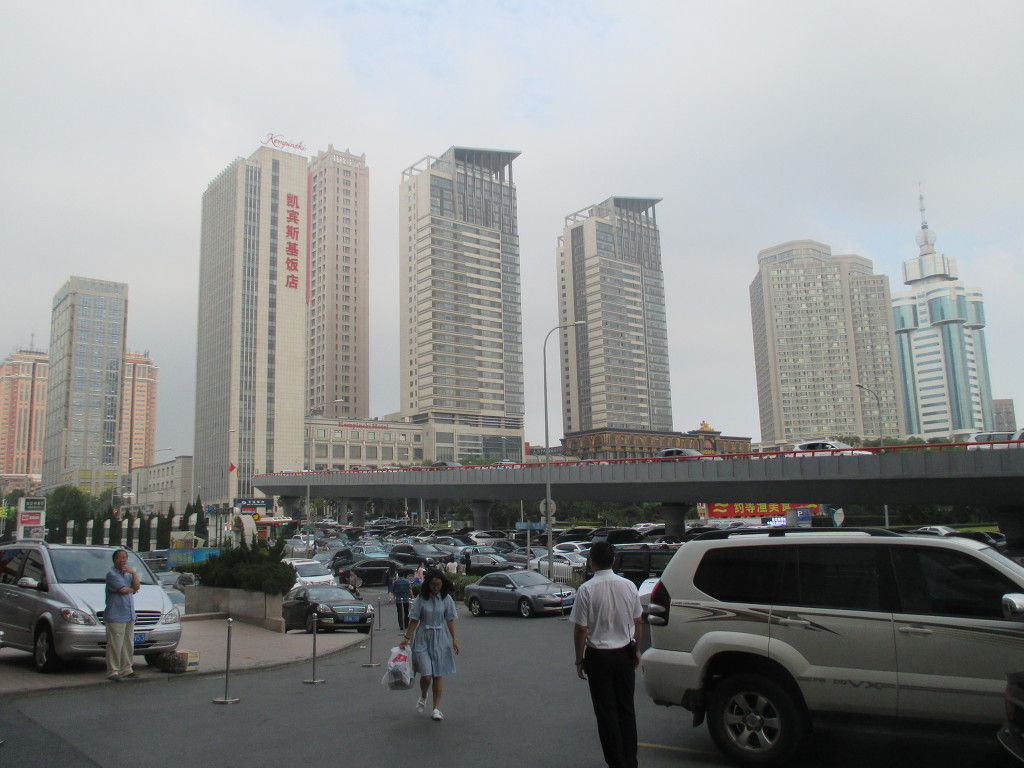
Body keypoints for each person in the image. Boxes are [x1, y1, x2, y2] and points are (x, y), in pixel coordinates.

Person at [570, 541, 643, 768]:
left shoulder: (586, 590)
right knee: (626, 709)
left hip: (599, 656)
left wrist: (579, 659)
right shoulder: (629, 586)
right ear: (613, 560)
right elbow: (638, 621)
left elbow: (581, 629)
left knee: (606, 713)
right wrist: (636, 649)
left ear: (591, 562)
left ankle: (616, 762)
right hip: (624, 653)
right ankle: (630, 761)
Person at [399, 568, 460, 721]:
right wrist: (406, 638)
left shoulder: (446, 599)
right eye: (433, 585)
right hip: (423, 637)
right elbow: (414, 619)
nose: (436, 588)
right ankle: (423, 694)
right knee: (426, 676)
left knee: (438, 674)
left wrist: (454, 639)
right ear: (428, 584)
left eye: (438, 585)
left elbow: (450, 620)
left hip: (440, 637)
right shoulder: (421, 598)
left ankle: (436, 708)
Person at [105, 548, 140, 681]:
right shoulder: (112, 574)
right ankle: (113, 671)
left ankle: (127, 669)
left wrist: (133, 573)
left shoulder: (128, 574)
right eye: (119, 557)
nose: (122, 560)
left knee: (128, 644)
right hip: (116, 615)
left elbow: (137, 586)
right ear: (114, 560)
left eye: (124, 557)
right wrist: (133, 589)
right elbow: (123, 590)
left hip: (129, 614)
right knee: (115, 644)